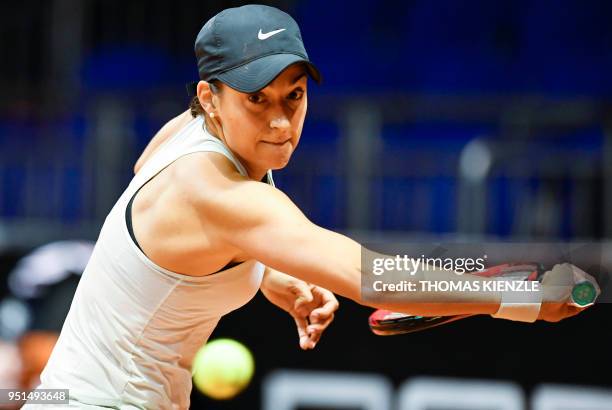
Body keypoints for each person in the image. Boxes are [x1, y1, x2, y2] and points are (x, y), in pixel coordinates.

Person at [25, 4, 594, 409]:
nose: (279, 122)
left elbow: (168, 226)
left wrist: (266, 267)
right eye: (256, 99)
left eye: (293, 96)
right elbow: (370, 275)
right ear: (210, 97)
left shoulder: (183, 133)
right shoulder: (220, 194)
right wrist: (520, 298)